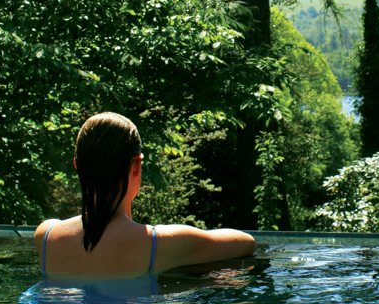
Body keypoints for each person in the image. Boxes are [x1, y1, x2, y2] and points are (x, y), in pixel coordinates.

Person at [34, 112, 255, 278]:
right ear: (136, 166)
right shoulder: (159, 245)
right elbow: (246, 243)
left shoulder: (45, 236)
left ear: (77, 167)